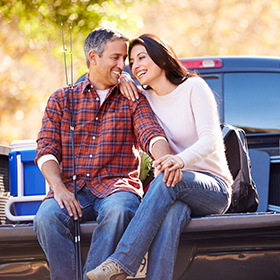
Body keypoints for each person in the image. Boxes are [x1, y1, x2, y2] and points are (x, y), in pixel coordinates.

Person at [33, 28, 178, 280]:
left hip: (116, 188)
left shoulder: (132, 97)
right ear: (93, 57)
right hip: (70, 188)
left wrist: (164, 159)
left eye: (125, 59)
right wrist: (58, 187)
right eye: (116, 58)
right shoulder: (60, 99)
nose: (123, 65)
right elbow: (46, 150)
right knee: (46, 217)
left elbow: (151, 134)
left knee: (119, 210)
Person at [86, 34, 233, 280]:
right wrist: (122, 77)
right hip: (174, 184)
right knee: (173, 213)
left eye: (142, 57)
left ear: (162, 57)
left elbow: (211, 140)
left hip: (213, 188)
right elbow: (105, 79)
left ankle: (122, 262)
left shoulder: (193, 88)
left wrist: (179, 160)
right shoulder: (144, 99)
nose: (136, 65)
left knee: (165, 180)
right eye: (132, 62)